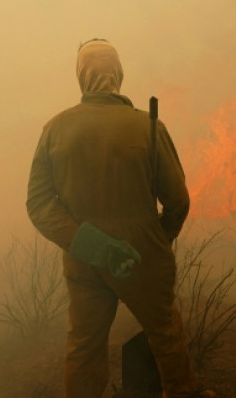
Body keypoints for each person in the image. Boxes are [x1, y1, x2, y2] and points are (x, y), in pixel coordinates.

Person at [26, 39, 203, 398]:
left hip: (85, 259)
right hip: (144, 256)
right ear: (118, 75)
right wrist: (158, 239)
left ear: (81, 77)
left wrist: (91, 245)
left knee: (84, 348)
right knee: (165, 333)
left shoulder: (55, 130)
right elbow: (178, 200)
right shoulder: (147, 126)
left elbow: (39, 204)